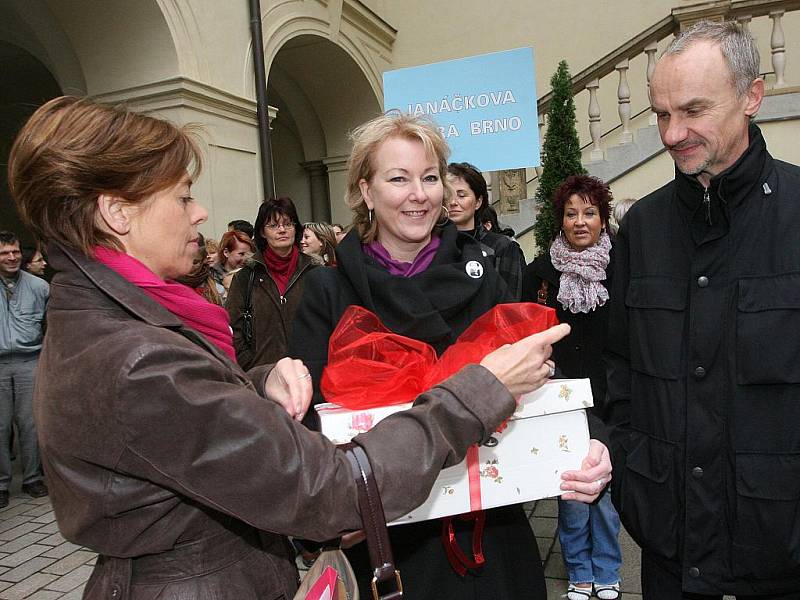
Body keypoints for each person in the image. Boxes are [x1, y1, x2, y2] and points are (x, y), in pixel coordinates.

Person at [8, 95, 573, 600]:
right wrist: (479, 391)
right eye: (182, 197)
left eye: (430, 178)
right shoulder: (135, 356)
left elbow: (181, 422)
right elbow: (323, 485)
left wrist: (253, 385)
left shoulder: (113, 325)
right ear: (116, 212)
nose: (200, 211)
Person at [290, 112, 613, 600]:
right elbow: (307, 427)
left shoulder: (481, 273)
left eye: (429, 177)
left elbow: (545, 374)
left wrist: (594, 442)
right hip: (386, 549)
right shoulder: (328, 292)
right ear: (365, 190)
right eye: (398, 178)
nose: (418, 194)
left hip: (493, 536)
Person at [605, 20, 800, 598]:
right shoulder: (642, 227)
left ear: (752, 97)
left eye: (692, 110)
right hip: (672, 555)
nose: (671, 133)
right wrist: (628, 469)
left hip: (781, 558)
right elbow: (622, 372)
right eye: (661, 113)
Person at [522, 175, 622, 600]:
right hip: (561, 396)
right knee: (571, 493)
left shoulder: (619, 267)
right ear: (560, 220)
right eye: (571, 213)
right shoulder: (541, 272)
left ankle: (609, 571)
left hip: (610, 394)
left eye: (589, 213)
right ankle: (580, 573)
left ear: (602, 219)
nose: (580, 221)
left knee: (608, 493)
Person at [226, 197, 318, 370]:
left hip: (310, 373)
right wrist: (252, 365)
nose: (282, 230)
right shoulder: (246, 277)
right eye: (274, 225)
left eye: (288, 224)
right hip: (263, 375)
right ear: (262, 232)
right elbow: (233, 329)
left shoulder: (315, 272)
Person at [0, 231, 49, 508]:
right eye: (5, 253)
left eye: (15, 252)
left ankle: (32, 478)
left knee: (31, 424)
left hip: (29, 362)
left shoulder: (40, 287)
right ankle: (2, 484)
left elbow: (49, 326)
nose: (11, 257)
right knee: (1, 426)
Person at [447, 162, 526, 299]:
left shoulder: (501, 246)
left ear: (478, 202)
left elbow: (512, 304)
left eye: (461, 195)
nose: (453, 202)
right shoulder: (433, 244)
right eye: (447, 195)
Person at [177, 233, 223, 305]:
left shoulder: (218, 290)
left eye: (195, 262)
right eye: (184, 260)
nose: (188, 265)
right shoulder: (167, 284)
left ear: (204, 260)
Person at [213, 230, 255, 301]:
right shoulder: (212, 279)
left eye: (249, 254)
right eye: (241, 254)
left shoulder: (253, 274)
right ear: (226, 252)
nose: (246, 259)